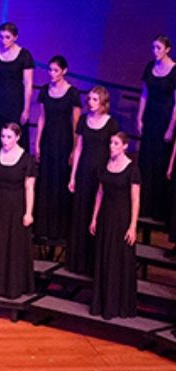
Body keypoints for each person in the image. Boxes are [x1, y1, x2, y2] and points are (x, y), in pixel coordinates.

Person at [0, 123, 37, 299]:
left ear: (18, 137)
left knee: (12, 245)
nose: (5, 140)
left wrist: (28, 212)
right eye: (3, 136)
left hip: (16, 206)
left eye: (9, 137)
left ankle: (12, 287)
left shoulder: (27, 159)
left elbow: (29, 188)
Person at [67, 86, 118, 274]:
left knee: (94, 215)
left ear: (103, 101)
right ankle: (77, 262)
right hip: (83, 173)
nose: (90, 102)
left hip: (101, 174)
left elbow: (114, 151)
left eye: (95, 99)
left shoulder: (111, 123)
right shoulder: (83, 120)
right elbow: (78, 149)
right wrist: (73, 175)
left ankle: (93, 264)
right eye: (89, 99)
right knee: (80, 214)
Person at [89, 132, 140, 319]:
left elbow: (135, 200)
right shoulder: (105, 166)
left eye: (116, 143)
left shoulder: (132, 169)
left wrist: (133, 226)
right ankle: (102, 303)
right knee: (104, 257)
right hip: (106, 218)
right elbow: (100, 193)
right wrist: (94, 218)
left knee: (119, 260)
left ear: (125, 146)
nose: (111, 146)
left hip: (122, 218)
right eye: (111, 142)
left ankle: (118, 305)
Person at [33, 55, 82, 243]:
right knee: (45, 181)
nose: (52, 74)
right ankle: (42, 227)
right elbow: (42, 118)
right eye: (50, 70)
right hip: (48, 140)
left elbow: (76, 124)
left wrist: (74, 149)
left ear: (64, 71)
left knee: (60, 183)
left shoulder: (72, 93)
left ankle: (59, 228)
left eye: (55, 70)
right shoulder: (45, 90)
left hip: (64, 142)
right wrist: (37, 143)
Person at [136, 35, 176, 222]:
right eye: (153, 47)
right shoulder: (149, 67)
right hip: (150, 117)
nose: (155, 51)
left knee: (160, 162)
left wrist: (171, 127)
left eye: (159, 48)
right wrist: (139, 117)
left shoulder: (174, 71)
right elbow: (144, 93)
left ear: (167, 49)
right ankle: (143, 206)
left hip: (165, 118)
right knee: (146, 160)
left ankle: (158, 210)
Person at [0, 22, 34, 151]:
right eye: (1, 37)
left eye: (7, 37)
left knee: (16, 133)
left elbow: (28, 84)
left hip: (15, 102)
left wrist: (26, 109)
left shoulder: (24, 55)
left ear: (15, 37)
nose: (3, 40)